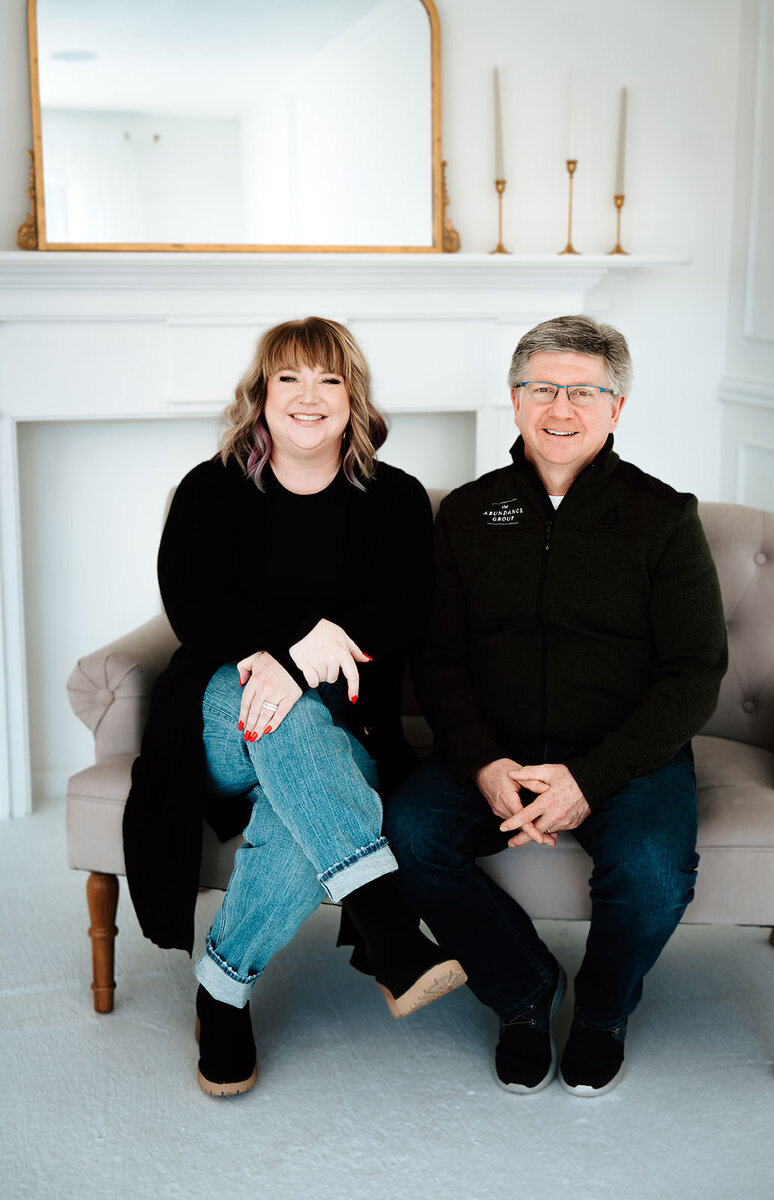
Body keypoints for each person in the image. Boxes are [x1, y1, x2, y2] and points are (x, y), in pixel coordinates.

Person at [384, 315, 727, 1097]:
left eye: (583, 391)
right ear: (514, 400)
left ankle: (603, 1011)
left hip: (623, 757)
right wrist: (481, 761)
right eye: (543, 388)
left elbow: (695, 670)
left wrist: (592, 778)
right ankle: (523, 990)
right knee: (407, 834)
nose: (560, 408)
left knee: (651, 873)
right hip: (494, 746)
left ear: (617, 408)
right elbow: (436, 658)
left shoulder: (665, 518)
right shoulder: (469, 514)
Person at [123, 316, 465, 1096]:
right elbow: (193, 608)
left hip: (341, 727)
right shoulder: (211, 488)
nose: (309, 397)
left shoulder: (398, 499)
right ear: (262, 394)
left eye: (329, 380)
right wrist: (291, 646)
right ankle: (386, 921)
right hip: (216, 720)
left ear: (354, 399)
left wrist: (297, 671)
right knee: (259, 697)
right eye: (290, 379)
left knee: (296, 763)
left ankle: (223, 990)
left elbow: (405, 618)